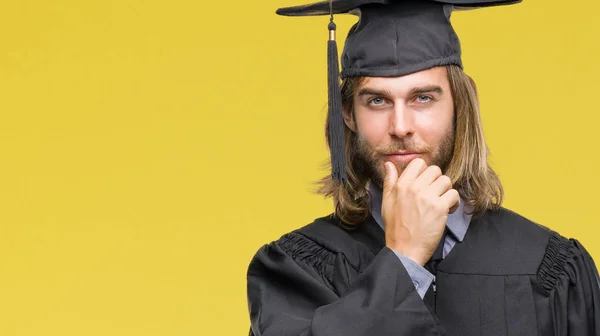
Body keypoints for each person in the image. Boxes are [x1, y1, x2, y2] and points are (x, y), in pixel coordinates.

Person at [246, 0, 600, 335]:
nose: (401, 126)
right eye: (377, 100)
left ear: (462, 102)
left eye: (423, 98)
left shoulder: (549, 267)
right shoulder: (295, 270)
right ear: (348, 115)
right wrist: (404, 259)